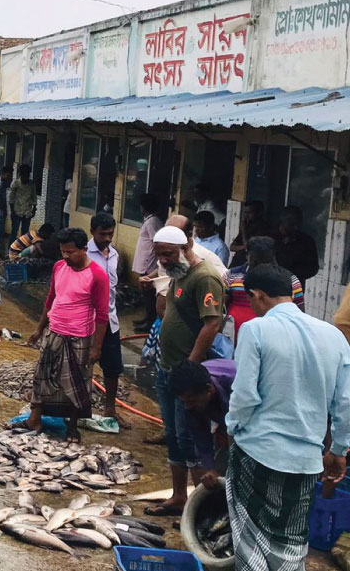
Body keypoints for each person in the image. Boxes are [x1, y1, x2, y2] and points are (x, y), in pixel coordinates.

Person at [226, 264, 350, 571]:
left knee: (250, 533)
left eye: (251, 300)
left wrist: (232, 427)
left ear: (258, 296)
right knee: (291, 539)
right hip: (306, 460)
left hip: (257, 450)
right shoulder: (333, 337)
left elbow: (244, 395)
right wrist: (338, 450)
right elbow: (344, 403)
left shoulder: (256, 329)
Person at [145, 224, 225, 516]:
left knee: (190, 436)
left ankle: (198, 506)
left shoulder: (205, 278)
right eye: (159, 255)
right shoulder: (178, 273)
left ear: (186, 245)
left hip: (187, 375)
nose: (163, 260)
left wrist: (191, 363)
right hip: (169, 370)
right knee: (174, 436)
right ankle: (179, 496)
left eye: (168, 254)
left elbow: (212, 323)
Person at [20, 228, 110, 443]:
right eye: (63, 252)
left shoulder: (97, 275)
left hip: (80, 336)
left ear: (84, 250)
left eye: (71, 252)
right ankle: (35, 418)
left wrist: (96, 347)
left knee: (77, 384)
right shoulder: (59, 267)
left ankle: (72, 426)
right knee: (41, 376)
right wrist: (39, 329)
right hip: (55, 331)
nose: (66, 256)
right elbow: (50, 298)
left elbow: (102, 315)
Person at [168, 359, 236, 489]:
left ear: (209, 389)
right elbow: (200, 436)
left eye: (191, 401)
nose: (187, 407)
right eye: (184, 402)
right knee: (219, 466)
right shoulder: (190, 394)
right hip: (224, 414)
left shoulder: (237, 385)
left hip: (260, 416)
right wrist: (210, 468)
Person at [86, 212, 123, 421]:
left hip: (110, 320)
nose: (107, 238)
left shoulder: (114, 255)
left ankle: (110, 409)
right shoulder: (85, 255)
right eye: (102, 234)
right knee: (84, 364)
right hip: (87, 320)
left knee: (112, 367)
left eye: (110, 234)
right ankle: (80, 407)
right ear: (92, 232)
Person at [133, 194, 164, 332]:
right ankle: (147, 318)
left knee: (149, 294)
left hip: (149, 264)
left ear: (144, 207)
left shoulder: (153, 222)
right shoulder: (150, 220)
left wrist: (151, 263)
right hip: (146, 262)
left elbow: (155, 242)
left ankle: (150, 321)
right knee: (146, 295)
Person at [275, 205, 319, 289]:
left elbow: (313, 268)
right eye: (291, 224)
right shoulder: (271, 238)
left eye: (297, 224)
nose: (296, 228)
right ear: (282, 222)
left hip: (294, 288)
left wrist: (292, 273)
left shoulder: (306, 241)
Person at [228, 200, 269, 267]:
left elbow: (249, 248)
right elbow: (232, 247)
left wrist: (243, 231)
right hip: (238, 263)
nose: (246, 215)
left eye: (249, 213)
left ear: (258, 213)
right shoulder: (247, 226)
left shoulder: (263, 228)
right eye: (245, 213)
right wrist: (243, 247)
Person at [8, 164, 37, 241]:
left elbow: (34, 197)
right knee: (14, 232)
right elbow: (11, 198)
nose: (26, 177)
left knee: (25, 233)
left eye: (27, 175)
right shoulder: (15, 184)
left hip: (27, 212)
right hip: (17, 211)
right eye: (24, 175)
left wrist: (34, 209)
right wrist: (12, 211)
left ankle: (22, 249)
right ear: (21, 175)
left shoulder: (31, 184)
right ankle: (10, 249)